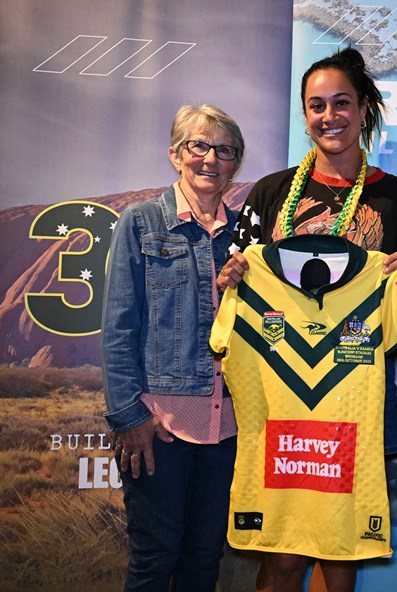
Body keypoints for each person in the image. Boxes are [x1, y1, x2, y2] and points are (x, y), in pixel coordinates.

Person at [216, 47, 397, 592]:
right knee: (283, 555)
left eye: (341, 103)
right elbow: (237, 289)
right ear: (304, 115)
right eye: (316, 106)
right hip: (283, 395)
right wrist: (233, 278)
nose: (329, 116)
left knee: (339, 553)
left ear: (364, 110)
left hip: (356, 395)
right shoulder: (268, 195)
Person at [101, 104, 244, 591]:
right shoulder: (140, 223)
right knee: (154, 559)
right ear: (175, 155)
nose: (211, 159)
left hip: (228, 431)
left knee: (204, 560)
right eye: (198, 146)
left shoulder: (245, 235)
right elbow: (119, 327)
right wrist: (129, 417)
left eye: (224, 150)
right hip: (160, 427)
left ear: (235, 164)